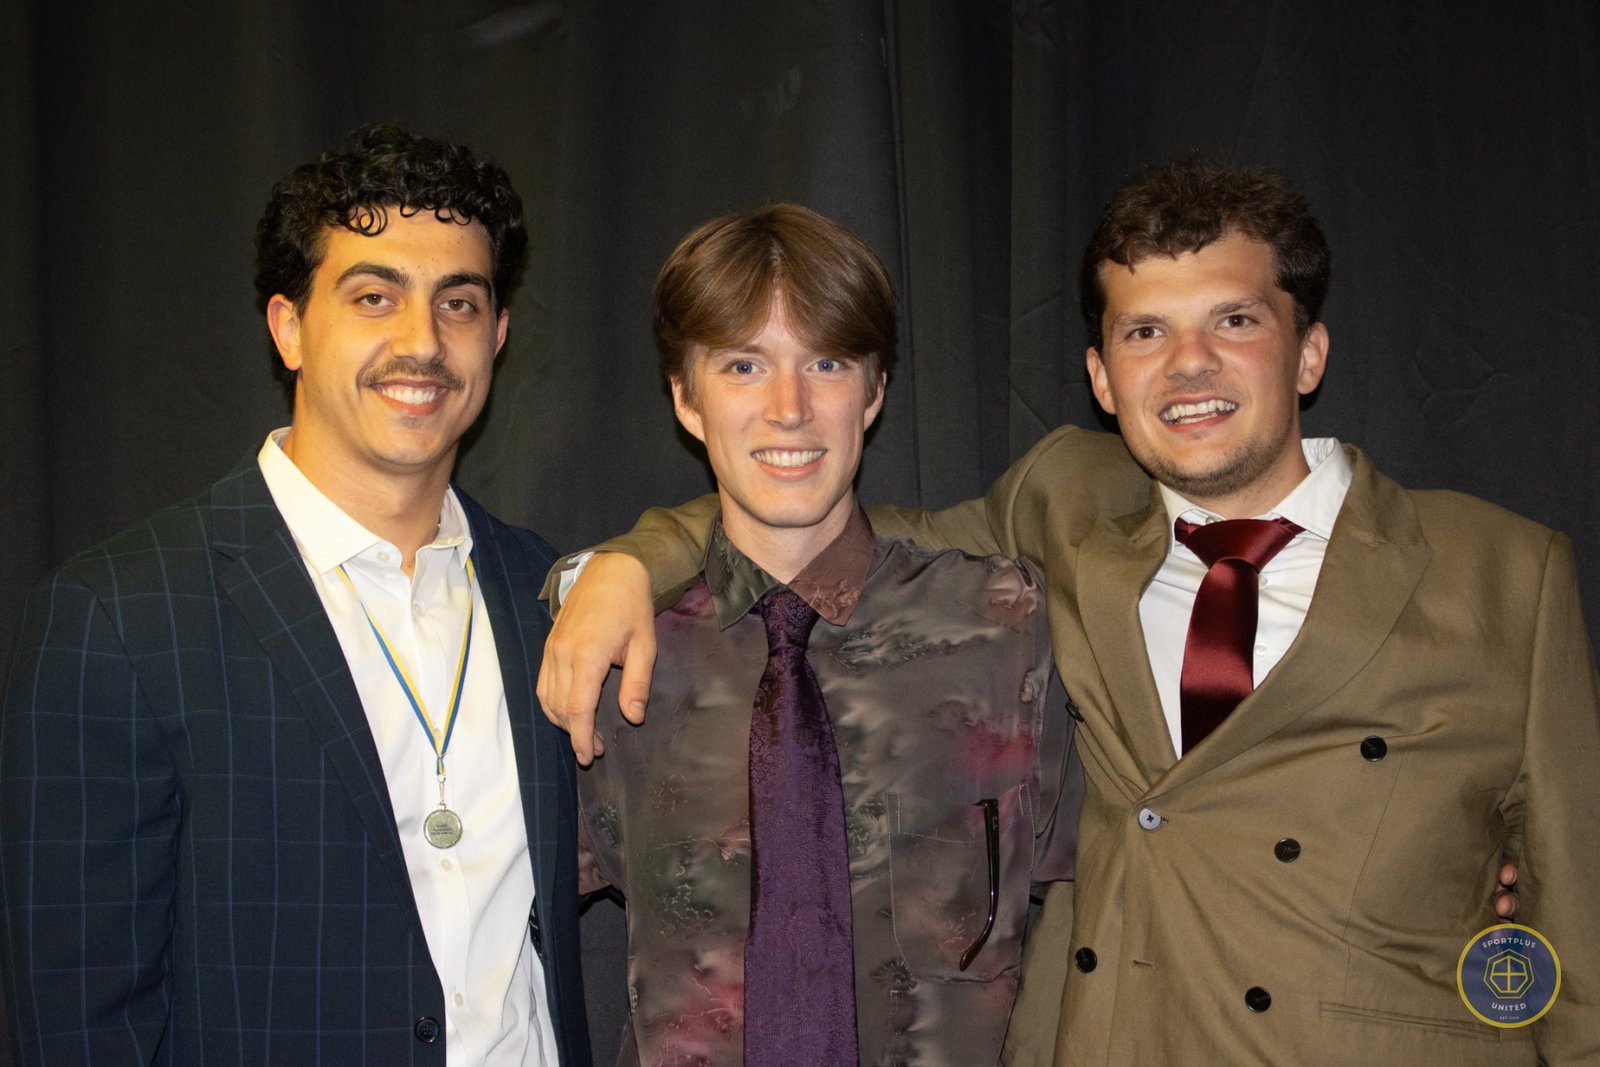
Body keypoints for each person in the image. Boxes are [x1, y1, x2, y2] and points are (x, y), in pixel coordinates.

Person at [539, 159, 1595, 1065]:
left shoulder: (1500, 573)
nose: (1188, 364)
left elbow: (1576, 930)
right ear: (1100, 374)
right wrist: (623, 562)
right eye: (1146, 331)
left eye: (1233, 320)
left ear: (1309, 349)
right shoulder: (1055, 530)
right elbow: (800, 525)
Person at [1, 125, 589, 1066]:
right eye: (373, 297)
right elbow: (79, 1016)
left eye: (459, 302)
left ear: (498, 335)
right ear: (288, 328)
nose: (422, 342)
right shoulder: (118, 616)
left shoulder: (545, 592)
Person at [559, 203, 1079, 1066]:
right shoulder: (615, 657)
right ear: (685, 397)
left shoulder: (1005, 629)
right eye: (743, 365)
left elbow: (1091, 903)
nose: (789, 408)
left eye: (827, 362)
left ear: (874, 391)